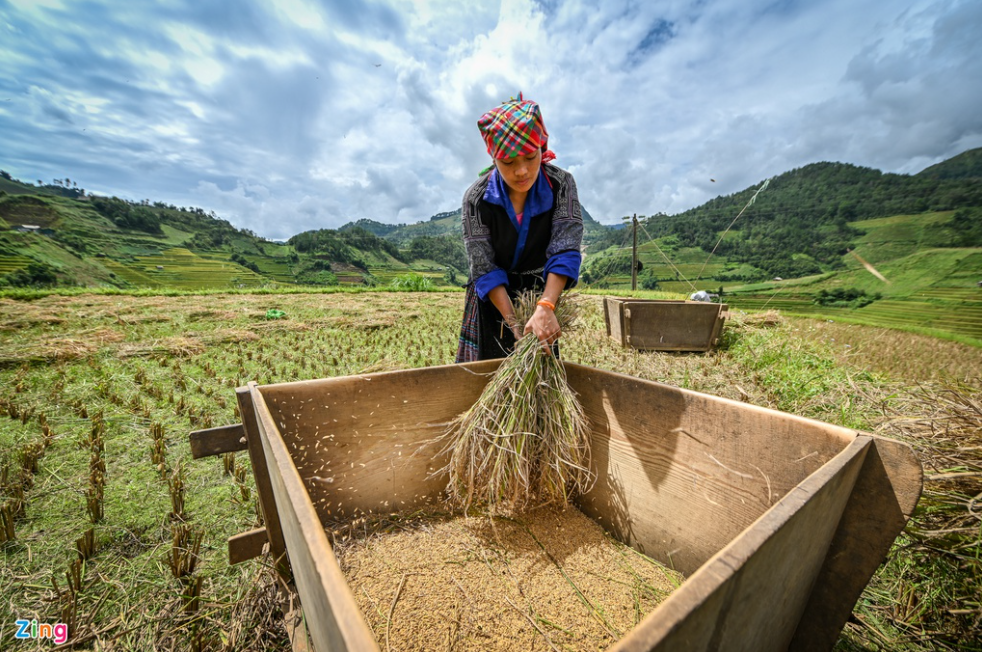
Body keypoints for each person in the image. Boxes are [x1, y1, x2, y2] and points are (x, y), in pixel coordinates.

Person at [455, 93, 583, 362]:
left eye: (530, 157)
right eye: (508, 162)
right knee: (489, 372)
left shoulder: (561, 185)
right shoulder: (476, 199)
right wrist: (514, 323)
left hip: (541, 293)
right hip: (494, 298)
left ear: (541, 147)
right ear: (494, 160)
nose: (522, 171)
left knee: (542, 368)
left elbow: (565, 250)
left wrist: (546, 306)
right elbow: (484, 267)